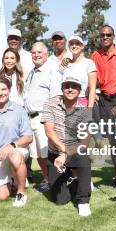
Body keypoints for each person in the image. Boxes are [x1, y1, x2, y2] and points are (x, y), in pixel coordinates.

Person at [42, 76, 93, 216]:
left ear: (80, 90)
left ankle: (83, 201)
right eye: (67, 86)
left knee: (83, 158)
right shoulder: (50, 103)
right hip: (54, 154)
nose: (70, 89)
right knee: (60, 199)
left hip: (75, 152)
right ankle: (79, 180)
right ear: (62, 88)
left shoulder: (85, 112)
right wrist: (63, 151)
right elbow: (49, 131)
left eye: (74, 86)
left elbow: (84, 142)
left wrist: (66, 154)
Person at [0, 77, 33, 206]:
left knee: (14, 156)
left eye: (4, 89)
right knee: (2, 196)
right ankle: (15, 179)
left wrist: (11, 146)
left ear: (9, 90)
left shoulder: (20, 110)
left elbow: (28, 137)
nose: (0, 93)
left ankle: (21, 193)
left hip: (16, 150)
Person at [91, 25, 116, 188]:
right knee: (112, 140)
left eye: (108, 35)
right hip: (105, 100)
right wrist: (95, 93)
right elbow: (92, 77)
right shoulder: (95, 55)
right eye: (102, 35)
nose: (105, 37)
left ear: (114, 36)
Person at [23, 42, 54, 192]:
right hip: (31, 118)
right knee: (37, 154)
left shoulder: (51, 71)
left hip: (44, 117)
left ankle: (54, 180)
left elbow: (55, 97)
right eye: (34, 52)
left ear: (47, 54)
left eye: (39, 52)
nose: (36, 55)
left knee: (47, 152)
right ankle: (47, 179)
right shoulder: (32, 72)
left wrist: (50, 119)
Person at [54, 35, 97, 108]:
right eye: (72, 44)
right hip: (64, 104)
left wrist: (90, 109)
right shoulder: (64, 63)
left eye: (77, 43)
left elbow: (92, 88)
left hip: (81, 104)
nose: (74, 46)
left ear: (82, 46)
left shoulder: (89, 63)